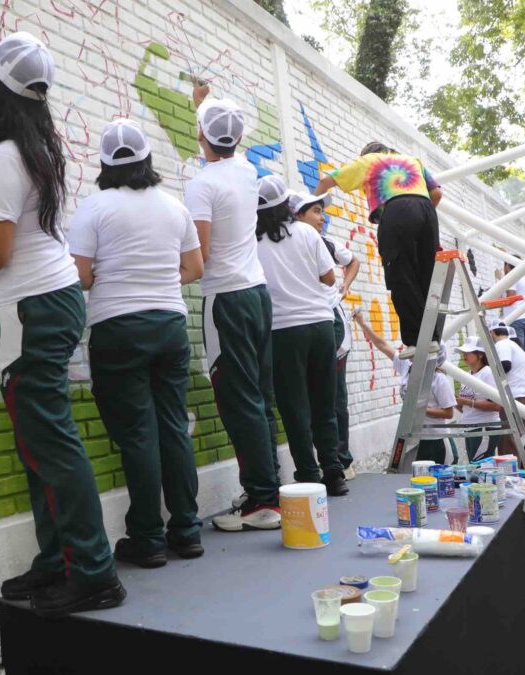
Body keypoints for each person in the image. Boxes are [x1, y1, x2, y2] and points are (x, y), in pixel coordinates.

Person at [0, 4, 123, 615]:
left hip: (28, 307)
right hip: (41, 303)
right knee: (39, 441)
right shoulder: (26, 137)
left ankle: (93, 572)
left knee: (50, 441)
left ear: (0, 92)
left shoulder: (3, 157)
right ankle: (59, 559)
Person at [68, 120, 205, 568]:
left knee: (138, 434)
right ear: (148, 161)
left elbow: (81, 276)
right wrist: (160, 279)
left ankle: (147, 539)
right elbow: (194, 267)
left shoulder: (95, 208)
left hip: (118, 328)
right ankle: (186, 530)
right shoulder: (174, 208)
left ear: (105, 166)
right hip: (169, 324)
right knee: (172, 426)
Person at [184, 84, 282, 532]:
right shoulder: (247, 172)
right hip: (257, 294)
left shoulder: (201, 185)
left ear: (202, 135)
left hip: (225, 298)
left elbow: (198, 257)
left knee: (237, 397)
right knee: (259, 395)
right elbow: (216, 142)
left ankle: (262, 501)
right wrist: (201, 104)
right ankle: (268, 490)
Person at [254, 177, 347, 496]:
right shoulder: (307, 232)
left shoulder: (252, 244)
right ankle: (334, 471)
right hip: (321, 324)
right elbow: (329, 276)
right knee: (325, 401)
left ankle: (308, 474)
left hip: (282, 331)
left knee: (294, 406)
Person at [313, 143, 442, 359]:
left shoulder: (370, 162)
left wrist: (308, 207)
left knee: (401, 275)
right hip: (428, 213)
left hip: (397, 211)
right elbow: (436, 193)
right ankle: (433, 339)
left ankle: (415, 341)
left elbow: (325, 181)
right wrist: (419, 215)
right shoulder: (412, 160)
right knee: (425, 276)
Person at [289, 191, 361, 478]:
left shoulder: (326, 244)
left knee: (334, 396)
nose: (322, 217)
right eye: (316, 211)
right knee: (307, 397)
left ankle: (341, 460)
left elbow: (353, 262)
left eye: (322, 211)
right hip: (302, 325)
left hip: (329, 323)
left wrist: (344, 287)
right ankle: (319, 463)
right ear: (297, 215)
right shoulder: (284, 243)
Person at [354, 312, 456, 465]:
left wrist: (421, 409)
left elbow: (449, 413)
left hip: (435, 439)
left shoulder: (438, 379)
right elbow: (382, 345)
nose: (409, 347)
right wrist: (362, 324)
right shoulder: (407, 366)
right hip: (415, 437)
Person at [489, 322, 525, 457]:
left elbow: (505, 365)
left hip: (514, 398)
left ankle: (512, 476)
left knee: (509, 442)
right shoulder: (514, 345)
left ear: (492, 333)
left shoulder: (502, 345)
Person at [454, 337, 504, 461]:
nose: (465, 355)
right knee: (475, 464)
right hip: (470, 427)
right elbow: (466, 407)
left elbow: (496, 406)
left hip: (484, 427)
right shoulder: (467, 375)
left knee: (481, 464)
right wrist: (457, 403)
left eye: (468, 352)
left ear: (480, 354)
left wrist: (466, 402)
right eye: (463, 353)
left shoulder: (488, 373)